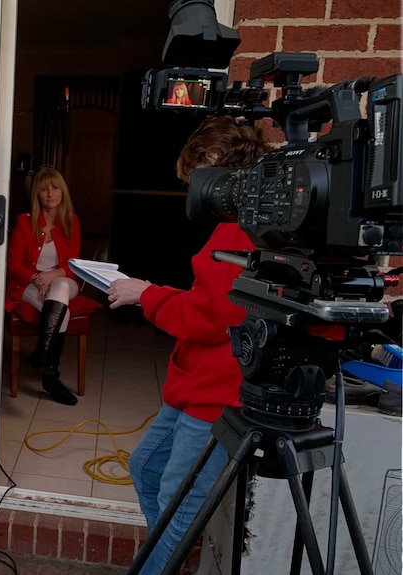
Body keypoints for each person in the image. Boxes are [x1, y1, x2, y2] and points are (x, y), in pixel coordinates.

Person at [107, 116, 274, 574]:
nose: (196, 191)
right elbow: (215, 303)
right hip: (194, 386)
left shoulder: (242, 230)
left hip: (218, 396)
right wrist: (151, 290)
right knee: (146, 468)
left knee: (178, 503)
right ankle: (164, 560)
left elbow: (209, 318)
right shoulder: (239, 225)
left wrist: (147, 295)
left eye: (197, 174)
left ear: (216, 162)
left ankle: (157, 565)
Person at [5, 166, 82, 405]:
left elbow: (74, 264)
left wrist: (52, 276)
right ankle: (50, 376)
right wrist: (36, 278)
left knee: (59, 286)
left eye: (55, 188)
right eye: (44, 189)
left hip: (63, 280)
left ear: (63, 191)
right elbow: (13, 264)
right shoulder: (24, 223)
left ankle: (43, 354)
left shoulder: (71, 222)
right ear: (37, 194)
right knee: (64, 312)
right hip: (29, 282)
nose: (50, 194)